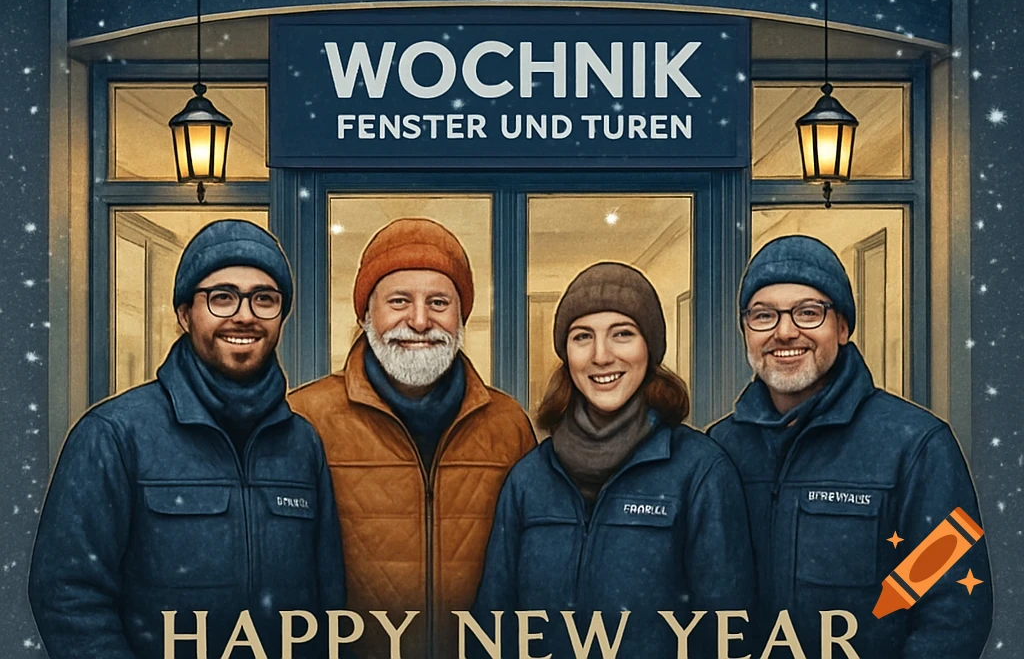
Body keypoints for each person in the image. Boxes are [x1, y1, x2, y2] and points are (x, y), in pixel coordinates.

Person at [29, 220, 345, 659]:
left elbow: (329, 597)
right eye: (221, 297)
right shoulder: (114, 435)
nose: (244, 314)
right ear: (184, 314)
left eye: (265, 299)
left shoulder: (302, 443)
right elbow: (67, 595)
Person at [709, 234, 993, 659]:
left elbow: (952, 609)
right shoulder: (718, 448)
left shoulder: (915, 446)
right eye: (763, 315)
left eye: (808, 313)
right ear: (746, 331)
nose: (785, 332)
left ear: (842, 327)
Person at [472, 261, 756, 659]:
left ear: (649, 349)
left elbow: (728, 632)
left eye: (622, 334)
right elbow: (493, 628)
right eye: (582, 337)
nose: (601, 356)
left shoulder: (700, 472)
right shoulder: (529, 479)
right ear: (566, 354)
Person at [289, 217, 536, 659]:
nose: (420, 321)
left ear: (462, 316)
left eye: (439, 302)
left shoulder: (507, 425)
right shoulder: (306, 418)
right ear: (366, 314)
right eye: (399, 300)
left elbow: (529, 570)